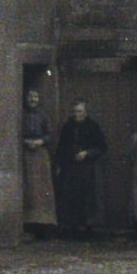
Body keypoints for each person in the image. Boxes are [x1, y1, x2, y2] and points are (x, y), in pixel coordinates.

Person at [55, 101, 107, 237]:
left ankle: (88, 226)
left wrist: (87, 153)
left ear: (85, 113)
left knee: (88, 196)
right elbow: (61, 147)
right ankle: (72, 227)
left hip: (87, 168)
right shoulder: (67, 127)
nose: (77, 114)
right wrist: (61, 163)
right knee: (71, 196)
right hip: (71, 167)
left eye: (80, 112)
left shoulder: (93, 126)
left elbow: (102, 147)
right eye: (75, 112)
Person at [20, 88, 57, 236]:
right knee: (29, 187)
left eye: (35, 96)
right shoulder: (22, 114)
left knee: (42, 188)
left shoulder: (43, 115)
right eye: (30, 96)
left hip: (40, 155)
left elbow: (49, 135)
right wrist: (25, 141)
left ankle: (44, 225)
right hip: (27, 154)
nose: (33, 99)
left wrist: (40, 141)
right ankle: (29, 224)